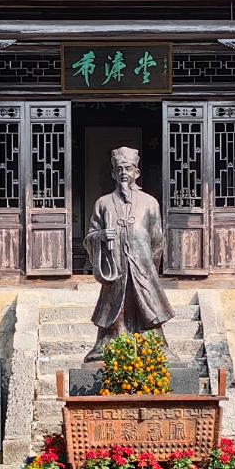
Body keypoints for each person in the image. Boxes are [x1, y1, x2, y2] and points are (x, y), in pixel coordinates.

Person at [83, 146, 175, 362]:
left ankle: (154, 346)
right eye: (119, 169)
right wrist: (100, 237)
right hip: (115, 266)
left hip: (142, 265)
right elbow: (89, 237)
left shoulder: (150, 202)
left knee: (148, 303)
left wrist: (150, 268)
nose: (124, 173)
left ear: (137, 172)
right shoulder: (103, 203)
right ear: (113, 173)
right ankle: (109, 344)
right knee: (114, 304)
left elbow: (157, 240)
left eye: (128, 168)